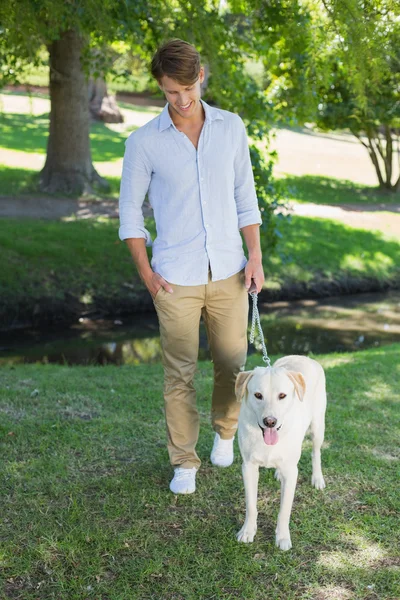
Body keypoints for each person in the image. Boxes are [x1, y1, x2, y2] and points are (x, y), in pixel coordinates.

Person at [119, 39, 264, 494]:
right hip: (174, 279)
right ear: (160, 88)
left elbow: (246, 197)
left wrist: (255, 255)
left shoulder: (231, 127)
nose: (182, 100)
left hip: (229, 272)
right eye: (170, 92)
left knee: (231, 363)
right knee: (179, 372)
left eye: (187, 87)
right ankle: (184, 461)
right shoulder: (143, 143)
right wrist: (147, 275)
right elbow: (129, 215)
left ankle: (226, 429)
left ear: (200, 75)